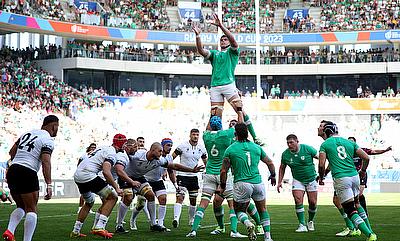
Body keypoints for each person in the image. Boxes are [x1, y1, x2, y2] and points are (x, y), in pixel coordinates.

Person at [192, 13, 263, 146]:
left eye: (225, 39)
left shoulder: (232, 52)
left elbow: (234, 42)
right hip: (215, 87)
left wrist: (221, 26)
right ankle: (216, 142)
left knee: (240, 110)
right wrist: (197, 36)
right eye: (222, 40)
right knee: (215, 117)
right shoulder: (215, 54)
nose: (224, 41)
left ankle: (254, 137)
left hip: (229, 85)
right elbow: (201, 51)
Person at [117, 142, 204, 232]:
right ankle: (119, 225)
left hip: (139, 178)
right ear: (152, 150)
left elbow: (174, 166)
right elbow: (123, 156)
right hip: (126, 176)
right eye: (160, 151)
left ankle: (154, 224)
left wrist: (192, 170)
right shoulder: (137, 155)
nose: (161, 153)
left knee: (151, 196)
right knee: (128, 197)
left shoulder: (159, 160)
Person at [186, 112, 246, 238]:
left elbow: (207, 128)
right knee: (232, 204)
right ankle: (234, 231)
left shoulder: (206, 136)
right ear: (220, 125)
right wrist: (239, 112)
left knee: (203, 203)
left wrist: (211, 114)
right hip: (223, 173)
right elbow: (240, 126)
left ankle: (193, 230)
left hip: (209, 173)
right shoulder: (226, 134)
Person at [2, 115, 59, 241]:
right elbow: (46, 161)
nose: (57, 130)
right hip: (27, 171)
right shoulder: (48, 140)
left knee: (21, 206)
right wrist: (49, 184)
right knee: (32, 209)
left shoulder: (27, 133)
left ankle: (10, 230)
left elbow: (12, 152)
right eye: (57, 127)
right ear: (53, 126)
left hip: (13, 169)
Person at [318, 121, 377, 241]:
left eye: (321, 128)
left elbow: (321, 164)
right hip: (355, 176)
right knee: (357, 204)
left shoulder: (325, 145)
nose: (319, 129)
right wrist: (363, 171)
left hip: (341, 178)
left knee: (350, 210)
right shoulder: (349, 142)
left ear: (326, 131)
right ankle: (370, 230)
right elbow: (366, 157)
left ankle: (370, 235)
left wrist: (321, 176)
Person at [220, 123, 276, 241]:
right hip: (258, 183)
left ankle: (248, 224)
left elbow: (223, 171)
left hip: (242, 184)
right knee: (263, 210)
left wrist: (223, 186)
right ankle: (267, 237)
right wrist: (273, 175)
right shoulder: (256, 147)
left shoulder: (230, 149)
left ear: (235, 134)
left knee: (239, 210)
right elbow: (270, 163)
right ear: (247, 133)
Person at [70, 134, 127, 239]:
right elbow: (106, 171)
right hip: (88, 174)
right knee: (113, 197)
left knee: (89, 202)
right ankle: (99, 226)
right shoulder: (112, 153)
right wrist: (116, 187)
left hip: (78, 175)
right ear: (120, 144)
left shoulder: (103, 147)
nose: (125, 147)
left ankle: (75, 231)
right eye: (124, 144)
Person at [333, 137, 391, 237]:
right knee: (336, 200)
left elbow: (373, 152)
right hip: (346, 176)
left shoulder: (360, 150)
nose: (349, 143)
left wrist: (385, 150)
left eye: (352, 142)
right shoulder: (343, 152)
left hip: (358, 175)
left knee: (357, 199)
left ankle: (363, 227)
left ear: (355, 143)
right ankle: (352, 225)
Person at [278, 134, 318, 232]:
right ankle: (302, 224)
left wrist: (323, 171)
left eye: (291, 142)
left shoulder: (307, 149)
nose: (289, 144)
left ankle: (310, 221)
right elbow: (282, 167)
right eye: (288, 143)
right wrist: (279, 182)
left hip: (311, 179)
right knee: (298, 199)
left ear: (297, 141)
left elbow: (320, 157)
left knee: (312, 203)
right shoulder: (285, 154)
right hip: (297, 180)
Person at [172, 128, 207, 228]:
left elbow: (206, 162)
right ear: (190, 135)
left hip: (194, 177)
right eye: (193, 134)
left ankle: (191, 220)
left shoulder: (201, 148)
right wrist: (168, 169)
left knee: (193, 199)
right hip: (182, 175)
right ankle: (176, 219)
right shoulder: (182, 146)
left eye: (197, 135)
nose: (195, 136)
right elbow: (172, 158)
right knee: (180, 197)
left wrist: (208, 170)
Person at [77, 143, 97, 214]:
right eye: (92, 147)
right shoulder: (84, 155)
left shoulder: (95, 156)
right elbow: (78, 164)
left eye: (94, 147)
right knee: (84, 193)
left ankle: (88, 207)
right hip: (84, 175)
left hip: (91, 175)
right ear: (89, 148)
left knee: (91, 193)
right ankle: (80, 207)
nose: (93, 148)